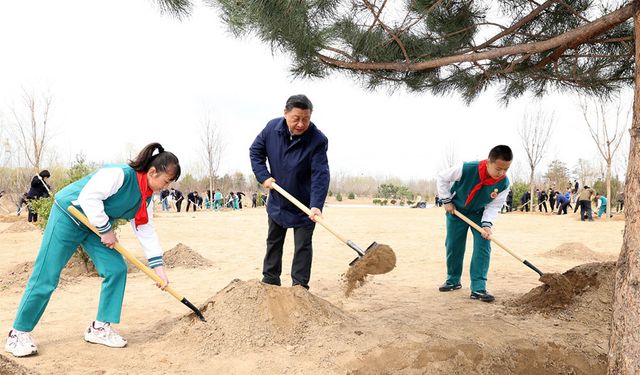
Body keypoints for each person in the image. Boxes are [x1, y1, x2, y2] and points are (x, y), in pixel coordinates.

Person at [4, 142, 180, 357]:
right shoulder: (120, 174)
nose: (166, 186)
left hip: (95, 227)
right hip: (69, 215)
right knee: (46, 274)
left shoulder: (145, 198)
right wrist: (106, 230)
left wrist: (159, 268)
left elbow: (146, 230)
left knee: (116, 269)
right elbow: (89, 197)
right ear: (153, 171)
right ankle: (18, 333)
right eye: (166, 181)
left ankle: (99, 328)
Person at [249, 94, 330, 289]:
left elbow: (321, 174)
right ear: (285, 114)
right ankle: (270, 281)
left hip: (305, 205)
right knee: (274, 242)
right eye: (296, 118)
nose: (301, 124)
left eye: (306, 119)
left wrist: (316, 205)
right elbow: (255, 152)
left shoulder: (317, 140)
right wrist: (263, 176)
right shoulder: (271, 129)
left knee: (303, 246)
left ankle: (300, 287)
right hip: (278, 199)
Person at [436, 145, 512, 303]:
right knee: (453, 245)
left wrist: (487, 224)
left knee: (483, 245)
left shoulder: (504, 183)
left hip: (480, 213)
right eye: (498, 169)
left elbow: (494, 206)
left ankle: (478, 288)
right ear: (488, 162)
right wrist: (447, 200)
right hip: (456, 210)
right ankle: (453, 280)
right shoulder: (467, 168)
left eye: (506, 169)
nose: (502, 173)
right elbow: (442, 177)